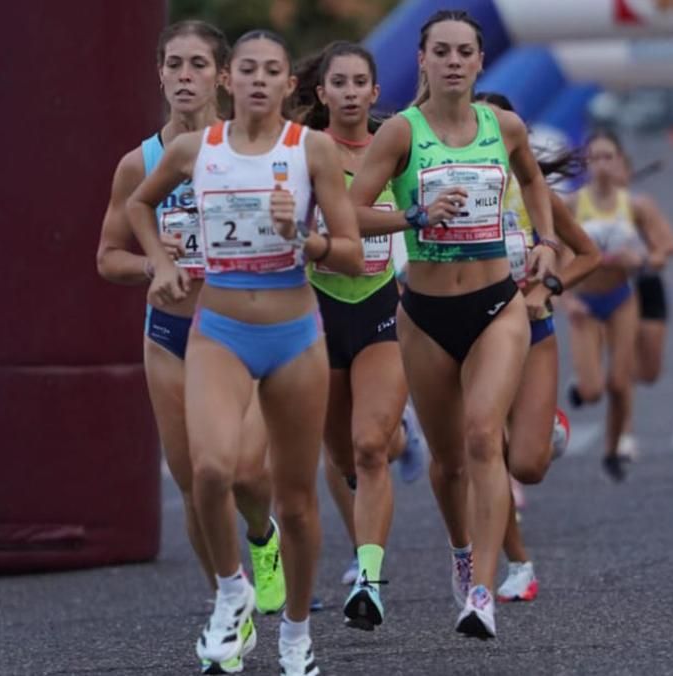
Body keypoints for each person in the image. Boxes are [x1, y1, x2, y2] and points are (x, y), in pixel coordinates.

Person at [127, 28, 364, 676]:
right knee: (209, 471)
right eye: (248, 69)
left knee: (295, 501)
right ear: (229, 80)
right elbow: (139, 205)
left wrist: (304, 239)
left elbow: (350, 252)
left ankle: (296, 634)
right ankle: (232, 592)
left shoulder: (310, 149)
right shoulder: (194, 150)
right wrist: (159, 263)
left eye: (272, 71)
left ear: (290, 83)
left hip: (293, 335)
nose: (259, 80)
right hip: (219, 331)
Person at [347, 9, 559, 639]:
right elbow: (350, 211)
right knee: (447, 462)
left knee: (483, 436)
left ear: (480, 61)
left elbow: (533, 180)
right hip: (425, 314)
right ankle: (463, 553)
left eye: (465, 52)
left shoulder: (504, 126)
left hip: (497, 305)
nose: (454, 62)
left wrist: (546, 241)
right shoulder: (401, 133)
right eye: (441, 51)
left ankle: (482, 593)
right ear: (422, 60)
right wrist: (414, 216)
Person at [94, 21, 284, 675]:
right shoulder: (140, 163)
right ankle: (229, 605)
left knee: (246, 473)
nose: (184, 76)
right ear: (159, 73)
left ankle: (262, 536)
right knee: (197, 481)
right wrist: (154, 262)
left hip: (240, 332)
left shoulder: (253, 150)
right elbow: (108, 257)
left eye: (197, 64)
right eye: (173, 64)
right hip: (171, 338)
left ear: (222, 76)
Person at [288, 40, 429, 631]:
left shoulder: (394, 146)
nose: (349, 93)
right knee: (344, 455)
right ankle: (405, 433)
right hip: (318, 310)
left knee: (369, 447)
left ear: (375, 91)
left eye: (359, 83)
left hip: (378, 305)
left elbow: (418, 209)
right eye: (338, 83)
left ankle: (369, 580)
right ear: (321, 92)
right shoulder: (299, 150)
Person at [473, 92, 601, 603]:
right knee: (484, 451)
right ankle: (517, 563)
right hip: (469, 337)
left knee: (526, 465)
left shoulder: (536, 195)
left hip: (532, 332)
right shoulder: (453, 187)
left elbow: (588, 254)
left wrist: (545, 290)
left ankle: (547, 425)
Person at [564, 130, 647, 482]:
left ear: (619, 162)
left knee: (619, 382)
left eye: (608, 157)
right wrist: (567, 299)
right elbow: (557, 256)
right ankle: (581, 389)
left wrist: (639, 259)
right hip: (584, 301)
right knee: (594, 390)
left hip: (620, 298)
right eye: (594, 157)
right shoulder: (572, 205)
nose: (601, 164)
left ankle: (613, 450)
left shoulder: (634, 204)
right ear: (586, 163)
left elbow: (656, 249)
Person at [618, 152, 673, 461]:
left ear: (627, 171)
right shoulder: (586, 205)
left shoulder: (640, 206)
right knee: (624, 365)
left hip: (647, 284)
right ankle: (625, 434)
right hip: (615, 290)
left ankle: (615, 380)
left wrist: (648, 258)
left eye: (615, 162)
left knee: (650, 371)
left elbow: (669, 244)